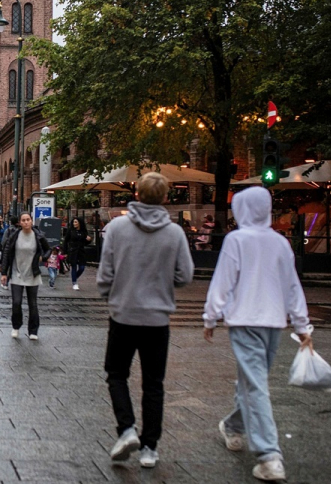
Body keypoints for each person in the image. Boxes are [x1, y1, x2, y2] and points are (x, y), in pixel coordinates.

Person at [202, 186, 311, 482]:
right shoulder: (280, 243)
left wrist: (210, 317)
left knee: (254, 383)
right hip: (273, 323)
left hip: (244, 321)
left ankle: (260, 448)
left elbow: (222, 281)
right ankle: (260, 447)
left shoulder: (236, 240)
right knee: (255, 381)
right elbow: (292, 286)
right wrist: (302, 326)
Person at [96, 172, 194, 469]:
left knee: (116, 374)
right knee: (154, 383)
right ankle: (150, 448)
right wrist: (163, 284)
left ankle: (126, 429)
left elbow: (105, 274)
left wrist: (110, 293)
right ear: (166, 197)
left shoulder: (117, 227)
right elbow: (185, 275)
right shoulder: (175, 232)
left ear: (136, 194)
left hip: (123, 314)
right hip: (157, 320)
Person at [0, 212, 51, 339]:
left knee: (32, 303)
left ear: (32, 221)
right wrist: (4, 273)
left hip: (32, 273)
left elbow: (48, 249)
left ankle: (33, 331)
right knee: (16, 302)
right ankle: (16, 326)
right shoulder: (14, 236)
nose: (26, 222)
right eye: (23, 220)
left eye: (28, 219)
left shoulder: (38, 236)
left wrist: (43, 257)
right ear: (20, 223)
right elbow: (6, 253)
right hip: (17, 273)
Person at [64, 216, 92, 290]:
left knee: (82, 268)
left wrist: (89, 240)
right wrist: (65, 251)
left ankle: (74, 277)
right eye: (73, 222)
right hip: (73, 251)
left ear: (80, 223)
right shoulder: (70, 231)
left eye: (76, 222)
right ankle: (74, 282)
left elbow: (85, 243)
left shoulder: (83, 232)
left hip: (81, 251)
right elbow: (66, 241)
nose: (74, 223)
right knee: (73, 267)